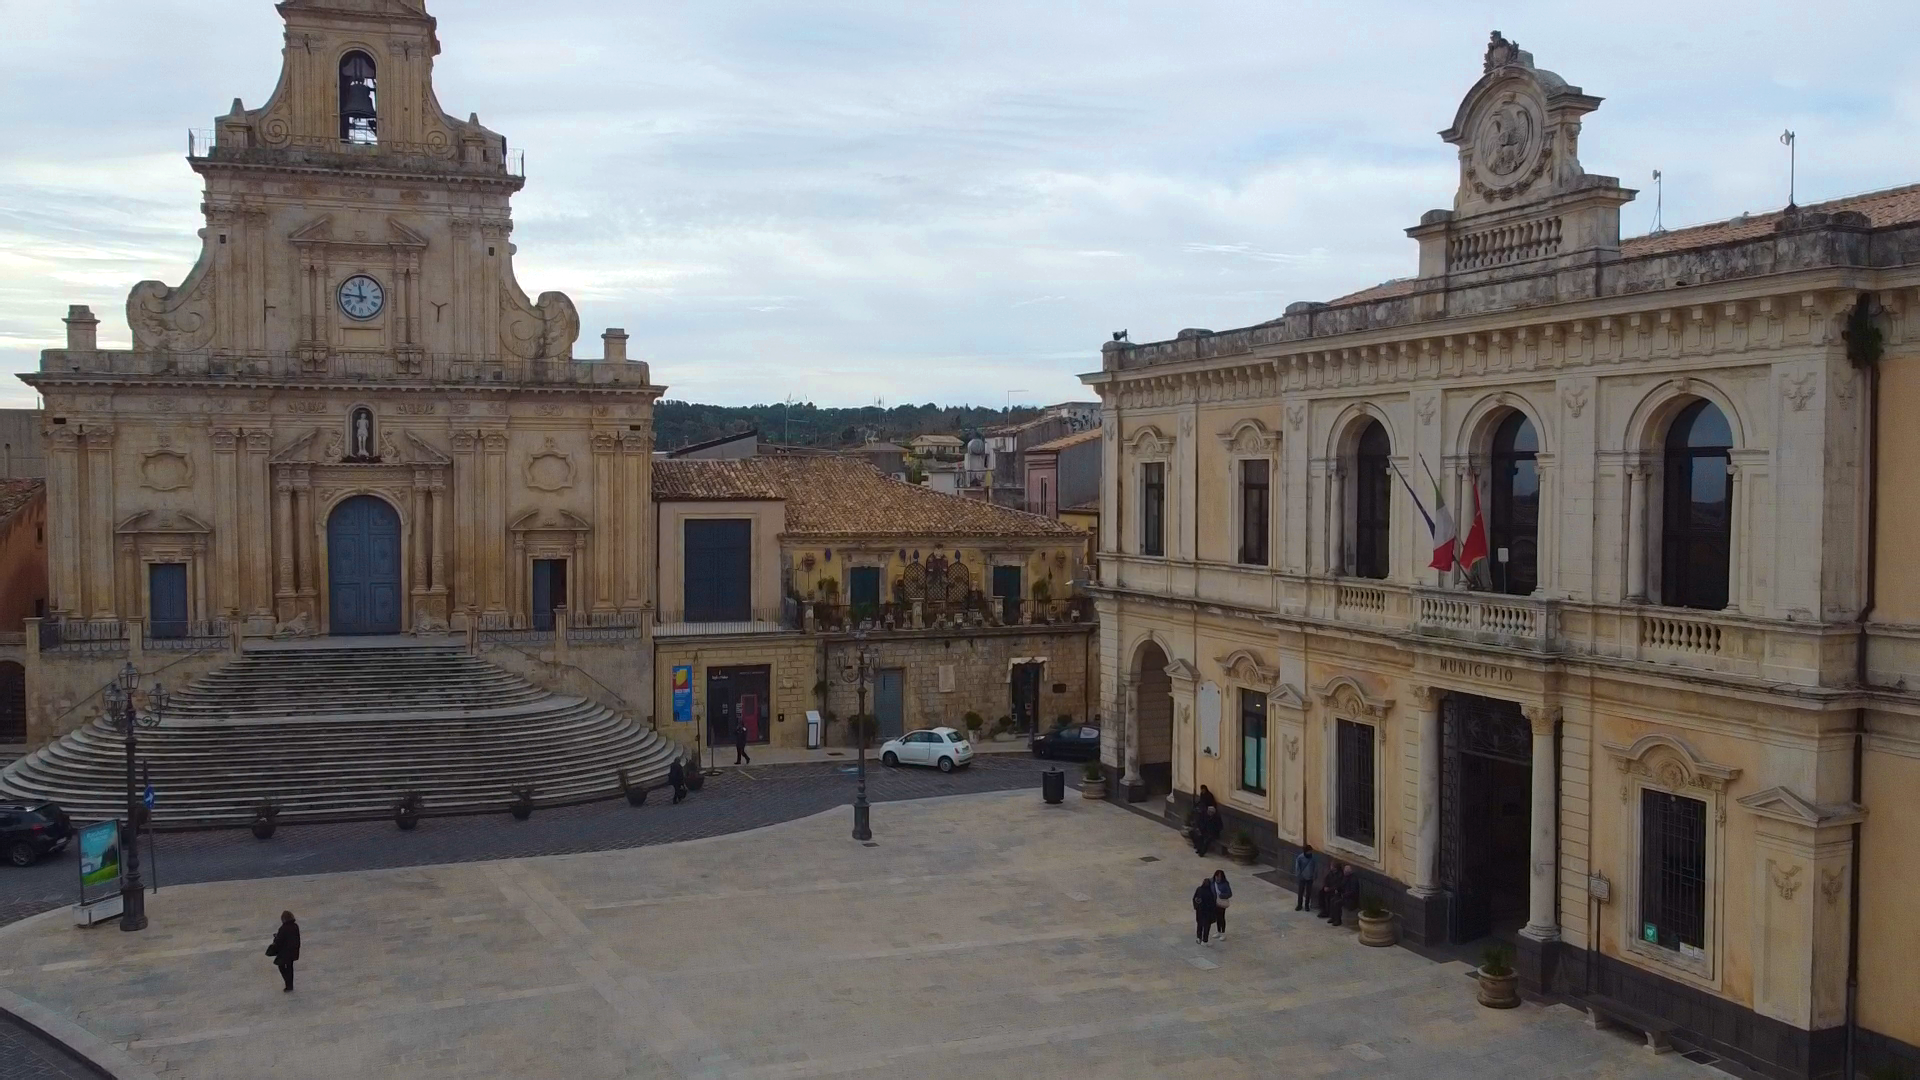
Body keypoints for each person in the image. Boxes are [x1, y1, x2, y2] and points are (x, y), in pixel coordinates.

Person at [266, 910, 300, 992]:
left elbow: (279, 941)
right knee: (290, 968)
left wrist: (276, 938)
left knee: (281, 966)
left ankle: (288, 983)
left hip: (284, 952)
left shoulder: (283, 928)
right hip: (293, 951)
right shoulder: (295, 926)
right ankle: (290, 984)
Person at [1191, 877, 1219, 946]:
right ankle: (1205, 941)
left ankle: (1198, 937)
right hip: (1207, 913)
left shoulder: (1199, 889)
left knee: (1199, 924)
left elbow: (1195, 899)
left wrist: (1196, 907)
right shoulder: (1209, 893)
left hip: (1199, 912)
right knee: (1206, 927)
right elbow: (1212, 904)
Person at [1292, 844, 1317, 911]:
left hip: (1310, 877)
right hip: (1302, 877)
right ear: (1306, 851)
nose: (1311, 852)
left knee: (1308, 892)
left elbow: (1315, 867)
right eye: (1309, 851)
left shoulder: (1313, 858)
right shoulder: (1300, 857)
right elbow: (1297, 867)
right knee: (1301, 892)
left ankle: (1307, 905)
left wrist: (1314, 875)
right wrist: (1299, 875)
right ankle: (1299, 905)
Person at [1210, 869, 1232, 940]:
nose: (1218, 878)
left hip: (1221, 903)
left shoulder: (1225, 883)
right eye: (1217, 876)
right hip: (1214, 902)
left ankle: (1223, 933)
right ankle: (1218, 931)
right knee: (1217, 917)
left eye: (1219, 876)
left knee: (1221, 917)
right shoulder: (1212, 882)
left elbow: (1229, 893)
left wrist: (1222, 895)